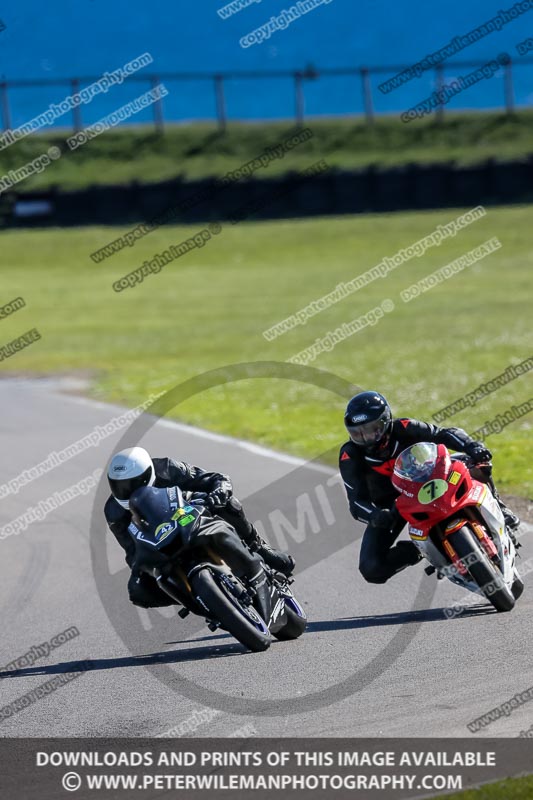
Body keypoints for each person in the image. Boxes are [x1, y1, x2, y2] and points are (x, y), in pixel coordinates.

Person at [339, 391, 520, 585]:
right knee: (371, 568)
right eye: (357, 433)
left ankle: (500, 508)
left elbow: (442, 434)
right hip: (395, 506)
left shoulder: (404, 427)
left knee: (476, 464)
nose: (365, 438)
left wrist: (471, 446)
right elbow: (356, 502)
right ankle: (421, 550)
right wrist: (374, 515)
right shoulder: (350, 455)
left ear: (385, 422)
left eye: (370, 429)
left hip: (428, 479)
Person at [105, 447, 294, 609]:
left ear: (149, 473)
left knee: (229, 503)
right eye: (119, 486)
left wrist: (220, 491)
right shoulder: (114, 512)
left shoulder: (168, 468)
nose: (127, 492)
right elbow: (131, 551)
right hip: (162, 547)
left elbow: (215, 478)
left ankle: (258, 546)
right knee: (138, 592)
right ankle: (197, 599)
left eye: (133, 484)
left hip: (191, 517)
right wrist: (143, 567)